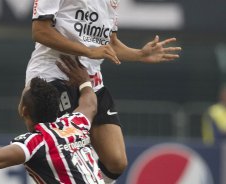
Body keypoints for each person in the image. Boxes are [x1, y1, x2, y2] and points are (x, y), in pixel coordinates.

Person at [27, 0, 182, 182]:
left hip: (91, 81)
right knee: (63, 158)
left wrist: (140, 54)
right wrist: (88, 51)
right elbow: (40, 31)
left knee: (116, 162)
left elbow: (110, 44)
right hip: (54, 77)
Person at [0, 56, 105, 184]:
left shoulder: (37, 142)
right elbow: (90, 104)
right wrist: (85, 81)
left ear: (23, 110)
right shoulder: (75, 123)